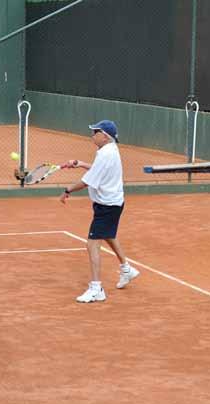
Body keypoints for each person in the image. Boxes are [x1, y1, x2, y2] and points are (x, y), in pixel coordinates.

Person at [59, 120, 139, 303]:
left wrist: (67, 190)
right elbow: (98, 169)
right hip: (112, 203)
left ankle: (96, 288)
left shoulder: (105, 154)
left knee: (92, 243)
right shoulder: (110, 150)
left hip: (107, 205)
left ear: (105, 136)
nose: (92, 134)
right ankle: (127, 269)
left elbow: (87, 181)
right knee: (109, 235)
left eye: (95, 132)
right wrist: (79, 163)